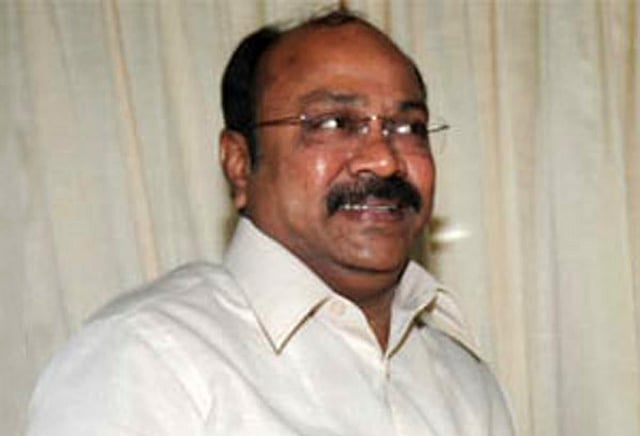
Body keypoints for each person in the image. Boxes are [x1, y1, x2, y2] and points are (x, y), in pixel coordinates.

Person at [27, 8, 515, 436]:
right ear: (240, 164)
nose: (384, 160)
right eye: (333, 124)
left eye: (408, 127)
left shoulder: (465, 380)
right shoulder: (146, 359)